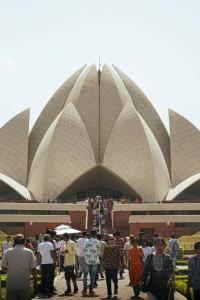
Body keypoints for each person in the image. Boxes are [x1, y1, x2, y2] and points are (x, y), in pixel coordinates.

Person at [1, 233, 37, 300]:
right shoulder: (29, 252)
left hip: (11, 284)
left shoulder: (7, 252)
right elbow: (33, 269)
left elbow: (3, 267)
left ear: (14, 242)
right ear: (24, 241)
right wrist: (35, 281)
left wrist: (11, 271)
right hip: (25, 284)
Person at [82, 230, 100, 296]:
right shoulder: (98, 242)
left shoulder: (86, 241)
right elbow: (98, 251)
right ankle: (91, 290)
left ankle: (84, 289)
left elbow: (84, 250)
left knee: (85, 275)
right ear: (96, 235)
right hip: (94, 260)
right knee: (93, 276)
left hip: (87, 260)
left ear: (90, 234)